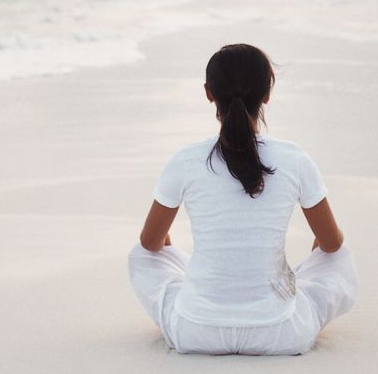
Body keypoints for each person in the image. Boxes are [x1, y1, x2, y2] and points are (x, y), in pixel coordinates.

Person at [128, 43, 359, 355]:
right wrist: (319, 249)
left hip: (196, 332)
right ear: (267, 93)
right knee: (337, 255)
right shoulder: (294, 158)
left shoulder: (185, 160)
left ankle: (206, 290)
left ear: (208, 93)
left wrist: (166, 241)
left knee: (142, 256)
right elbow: (331, 245)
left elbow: (149, 244)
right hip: (281, 333)